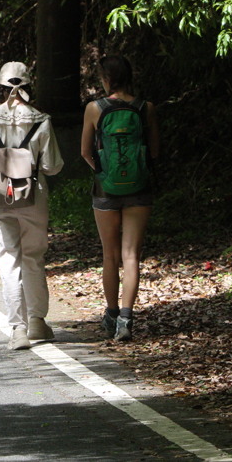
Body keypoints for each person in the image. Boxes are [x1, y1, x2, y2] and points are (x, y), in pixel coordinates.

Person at [0, 61, 64, 350]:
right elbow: (53, 165)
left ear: (0, 85)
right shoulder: (40, 119)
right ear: (28, 84)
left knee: (8, 259)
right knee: (33, 256)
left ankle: (17, 329)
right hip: (34, 196)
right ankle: (37, 322)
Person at [80, 55, 160, 341]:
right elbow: (154, 153)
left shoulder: (94, 108)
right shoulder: (145, 108)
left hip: (105, 190)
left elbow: (85, 153)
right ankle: (127, 318)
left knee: (110, 255)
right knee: (131, 256)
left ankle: (111, 314)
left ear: (106, 79)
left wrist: (103, 173)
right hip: (139, 189)